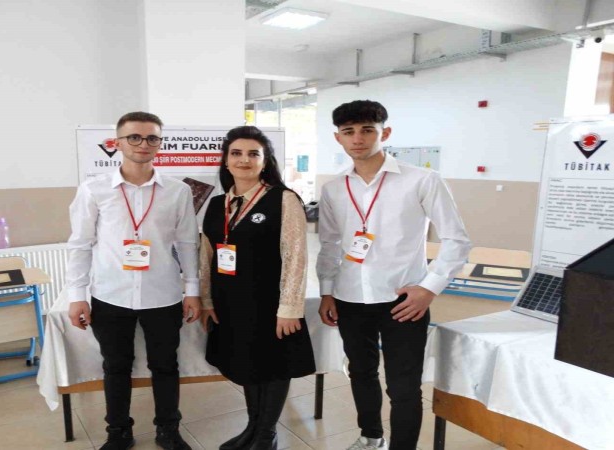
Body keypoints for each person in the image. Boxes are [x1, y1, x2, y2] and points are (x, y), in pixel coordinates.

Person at [317, 100, 471, 450]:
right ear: (338, 138)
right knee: (361, 373)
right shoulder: (333, 188)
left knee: (403, 387)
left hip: (403, 300)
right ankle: (371, 437)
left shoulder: (422, 180)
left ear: (384, 133)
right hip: (349, 297)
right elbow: (329, 243)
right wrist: (327, 291)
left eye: (367, 130)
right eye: (348, 132)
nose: (358, 139)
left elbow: (457, 240)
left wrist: (429, 289)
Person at [66, 111, 201, 450]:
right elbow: (80, 244)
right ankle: (118, 432)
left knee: (165, 366)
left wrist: (192, 290)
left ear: (160, 143)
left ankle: (168, 430)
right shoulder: (94, 189)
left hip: (163, 295)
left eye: (152, 137)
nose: (144, 144)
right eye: (134, 137)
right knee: (115, 367)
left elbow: (188, 243)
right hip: (110, 295)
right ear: (117, 142)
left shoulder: (177, 191)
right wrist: (77, 295)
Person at [200, 126, 316, 450]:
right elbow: (206, 257)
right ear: (226, 160)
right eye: (236, 153)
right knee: (247, 364)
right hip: (231, 301)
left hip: (271, 303)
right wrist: (207, 300)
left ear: (265, 161)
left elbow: (295, 256)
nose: (244, 160)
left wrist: (290, 308)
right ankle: (253, 428)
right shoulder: (217, 204)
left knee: (274, 365)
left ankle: (266, 435)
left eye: (254, 154)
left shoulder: (283, 199)